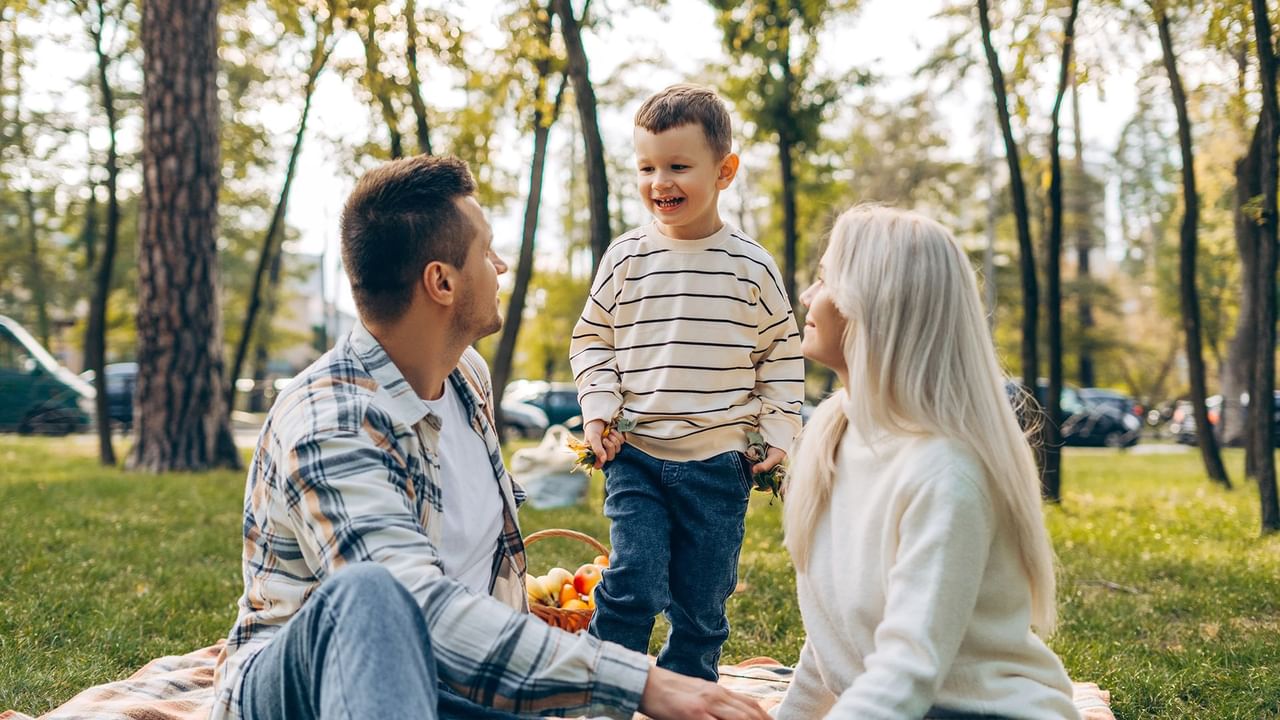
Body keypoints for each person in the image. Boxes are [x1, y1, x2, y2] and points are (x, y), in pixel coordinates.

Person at [209, 154, 770, 720]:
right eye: (485, 251)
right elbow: (413, 605)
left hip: (444, 684)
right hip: (303, 692)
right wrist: (641, 682)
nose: (500, 266)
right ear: (442, 281)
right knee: (376, 593)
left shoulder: (465, 376)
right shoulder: (331, 420)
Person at [775, 206, 1081, 719]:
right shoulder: (833, 434)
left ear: (874, 303)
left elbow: (906, 670)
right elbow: (834, 642)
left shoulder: (944, 472)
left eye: (825, 279)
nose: (806, 296)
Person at [569, 84, 804, 681]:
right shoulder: (625, 258)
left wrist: (778, 430)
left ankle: (687, 689)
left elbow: (780, 353)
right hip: (637, 453)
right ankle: (604, 686)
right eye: (647, 167)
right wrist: (598, 411)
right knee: (635, 578)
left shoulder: (751, 265)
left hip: (718, 462)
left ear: (724, 171)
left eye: (678, 166)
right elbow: (593, 339)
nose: (659, 182)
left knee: (702, 601)